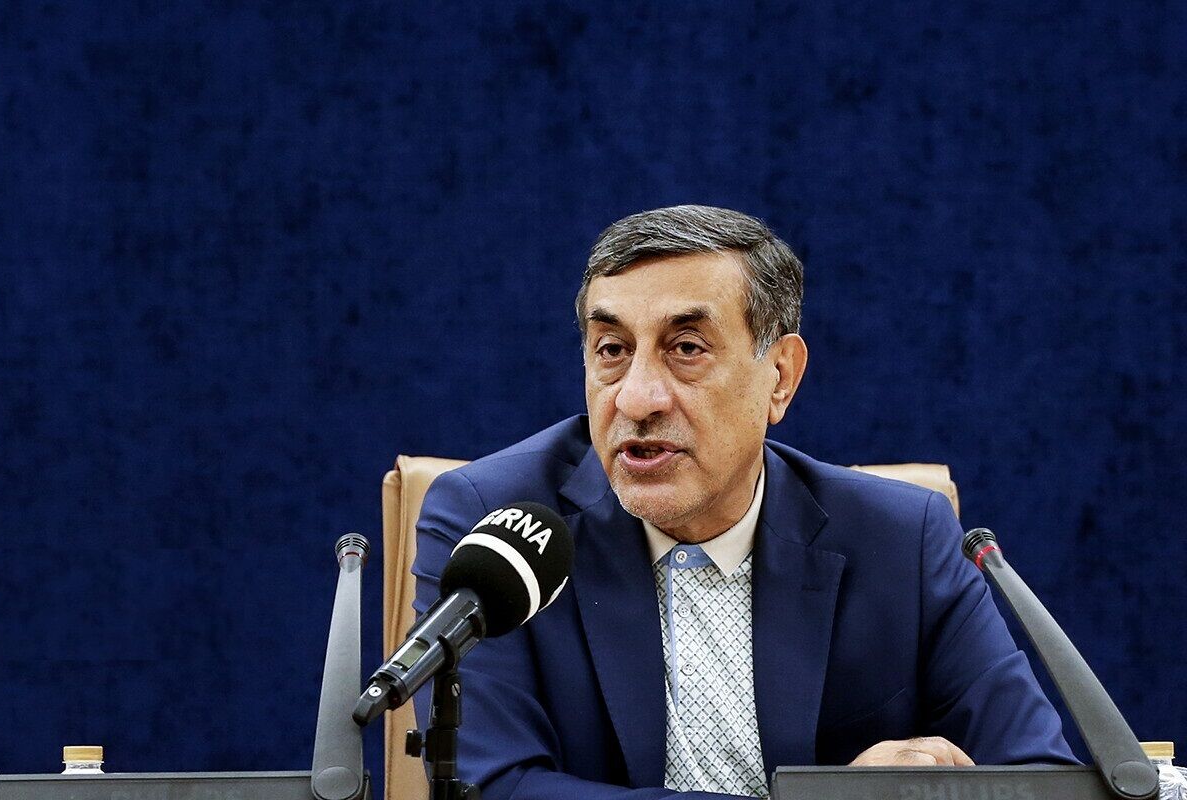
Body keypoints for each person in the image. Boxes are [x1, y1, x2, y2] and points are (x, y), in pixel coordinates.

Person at [411, 205, 1075, 799]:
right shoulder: (496, 527)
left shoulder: (903, 540)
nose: (637, 398)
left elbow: (1039, 777)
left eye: (686, 349)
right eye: (611, 350)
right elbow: (492, 787)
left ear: (780, 377)